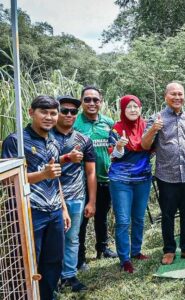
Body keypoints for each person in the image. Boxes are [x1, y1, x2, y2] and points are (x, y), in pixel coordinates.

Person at [2, 95, 71, 300]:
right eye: (44, 112)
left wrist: (64, 208)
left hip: (54, 211)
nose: (49, 117)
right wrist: (43, 175)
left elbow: (55, 176)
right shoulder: (16, 141)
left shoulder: (54, 141)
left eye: (53, 113)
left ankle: (48, 296)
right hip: (28, 212)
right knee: (27, 262)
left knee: (53, 261)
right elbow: (8, 181)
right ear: (31, 112)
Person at [142, 82, 185, 265]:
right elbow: (145, 146)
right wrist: (154, 128)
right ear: (165, 97)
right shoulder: (156, 118)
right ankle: (169, 250)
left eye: (180, 94)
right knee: (167, 215)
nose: (177, 97)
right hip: (166, 177)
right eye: (173, 94)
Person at [53, 95, 96, 292]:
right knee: (52, 240)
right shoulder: (46, 137)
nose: (69, 115)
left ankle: (69, 275)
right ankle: (52, 278)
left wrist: (92, 201)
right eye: (65, 110)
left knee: (73, 238)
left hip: (76, 196)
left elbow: (90, 172)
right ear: (56, 112)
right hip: (50, 197)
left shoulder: (83, 140)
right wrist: (66, 159)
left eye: (73, 112)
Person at [108, 95, 153, 273]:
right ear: (123, 110)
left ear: (141, 109)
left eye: (136, 106)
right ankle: (124, 258)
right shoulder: (117, 128)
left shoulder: (146, 127)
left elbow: (153, 147)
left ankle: (136, 251)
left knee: (139, 218)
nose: (133, 110)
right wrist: (119, 146)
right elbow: (112, 155)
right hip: (121, 181)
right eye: (129, 107)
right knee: (123, 221)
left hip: (143, 179)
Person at [75, 86, 117, 270]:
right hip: (81, 181)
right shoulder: (75, 124)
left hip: (105, 178)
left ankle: (103, 248)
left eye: (95, 100)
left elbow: (115, 146)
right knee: (81, 220)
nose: (92, 103)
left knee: (101, 216)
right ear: (82, 101)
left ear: (101, 101)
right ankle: (80, 258)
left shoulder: (108, 122)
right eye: (87, 99)